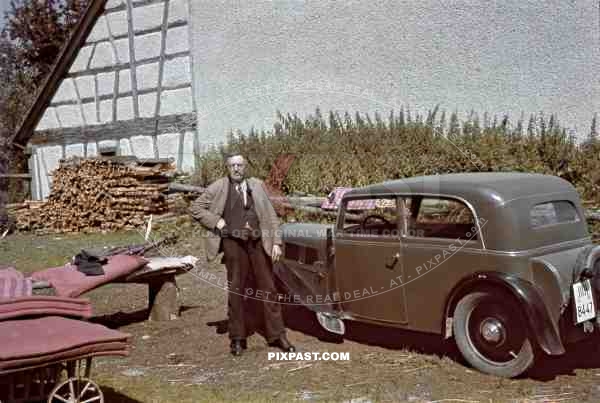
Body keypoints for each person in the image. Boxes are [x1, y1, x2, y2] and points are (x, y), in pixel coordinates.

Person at [190, 153, 296, 356]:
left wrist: (276, 242)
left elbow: (271, 215)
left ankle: (277, 336)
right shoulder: (219, 187)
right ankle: (237, 338)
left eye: (240, 165)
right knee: (236, 290)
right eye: (232, 166)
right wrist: (216, 221)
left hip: (257, 242)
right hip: (233, 243)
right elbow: (196, 208)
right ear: (227, 168)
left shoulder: (257, 185)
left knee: (269, 289)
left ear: (245, 167)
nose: (237, 169)